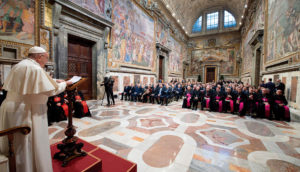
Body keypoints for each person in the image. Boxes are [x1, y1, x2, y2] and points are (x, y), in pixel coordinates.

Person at [0, 46, 72, 172]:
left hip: (11, 108)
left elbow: (34, 81)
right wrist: (65, 84)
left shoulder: (21, 65)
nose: (46, 61)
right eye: (46, 58)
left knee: (14, 144)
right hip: (26, 111)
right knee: (25, 145)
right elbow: (51, 90)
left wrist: (55, 80)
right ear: (39, 57)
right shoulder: (35, 68)